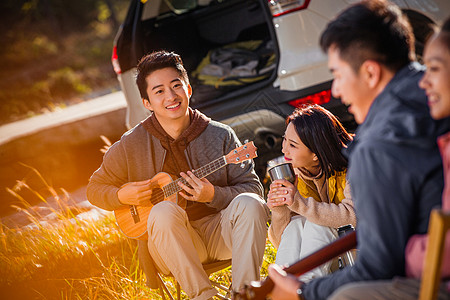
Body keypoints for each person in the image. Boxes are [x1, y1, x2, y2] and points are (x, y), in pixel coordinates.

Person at [266, 1, 450, 300]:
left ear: (370, 72)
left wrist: (304, 292)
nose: (336, 90)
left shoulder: (377, 145)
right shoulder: (439, 94)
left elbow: (379, 267)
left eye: (337, 74)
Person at [86, 50, 269, 300]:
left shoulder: (221, 135)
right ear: (147, 103)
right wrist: (121, 194)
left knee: (251, 204)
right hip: (171, 246)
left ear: (189, 89)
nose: (171, 96)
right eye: (159, 91)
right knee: (163, 211)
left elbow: (254, 190)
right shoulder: (131, 145)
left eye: (176, 86)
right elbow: (94, 189)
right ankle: (202, 296)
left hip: (221, 233)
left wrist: (213, 195)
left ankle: (245, 295)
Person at [267, 104, 356, 281]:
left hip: (369, 243)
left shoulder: (355, 164)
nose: (284, 149)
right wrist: (279, 210)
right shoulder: (300, 175)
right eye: (285, 139)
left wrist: (299, 203)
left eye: (293, 145)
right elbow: (281, 243)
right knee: (296, 224)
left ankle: (302, 289)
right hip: (335, 250)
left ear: (315, 153)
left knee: (318, 222)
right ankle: (280, 286)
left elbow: (354, 217)